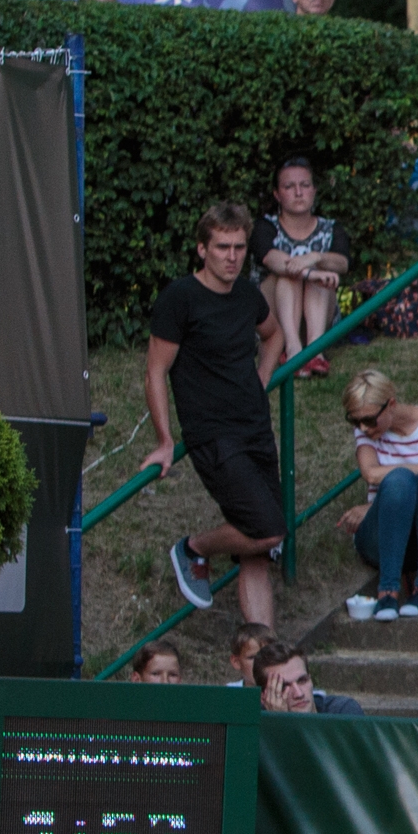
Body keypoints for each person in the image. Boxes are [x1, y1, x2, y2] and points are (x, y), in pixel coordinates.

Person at [144, 202, 285, 626]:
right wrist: (165, 441)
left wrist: (261, 377)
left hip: (256, 428)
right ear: (202, 249)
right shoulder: (180, 298)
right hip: (214, 434)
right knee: (269, 529)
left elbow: (274, 333)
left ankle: (264, 658)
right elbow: (155, 372)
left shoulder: (246, 293)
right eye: (222, 247)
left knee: (257, 552)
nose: (232, 256)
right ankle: (194, 548)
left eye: (240, 247)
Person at [338, 369, 418, 619]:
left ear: (391, 404)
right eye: (355, 421)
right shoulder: (367, 432)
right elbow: (371, 473)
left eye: (369, 420)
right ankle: (387, 592)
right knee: (402, 480)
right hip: (383, 535)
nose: (363, 427)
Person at [256, 155, 348, 377]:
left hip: (317, 311)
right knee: (289, 275)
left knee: (318, 277)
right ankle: (293, 349)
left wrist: (315, 257)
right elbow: (270, 258)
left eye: (305, 185)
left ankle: (315, 352)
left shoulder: (332, 228)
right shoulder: (265, 226)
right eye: (289, 187)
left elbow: (343, 263)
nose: (299, 192)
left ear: (314, 190)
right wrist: (307, 273)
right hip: (274, 314)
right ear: (277, 194)